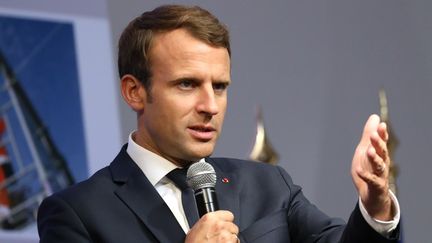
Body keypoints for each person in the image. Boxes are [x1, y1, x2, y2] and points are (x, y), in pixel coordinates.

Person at [37, 4, 400, 243]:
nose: (210, 106)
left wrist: (376, 206)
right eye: (187, 84)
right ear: (134, 92)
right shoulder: (77, 214)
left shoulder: (268, 185)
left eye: (220, 86)